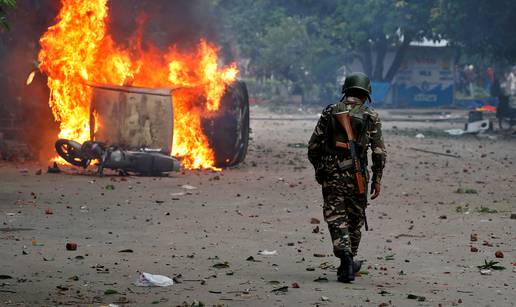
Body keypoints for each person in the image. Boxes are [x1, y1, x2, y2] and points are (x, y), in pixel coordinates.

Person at [307, 72, 386, 283]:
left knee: (336, 218)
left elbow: (313, 146)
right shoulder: (371, 116)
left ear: (346, 91)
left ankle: (346, 260)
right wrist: (377, 179)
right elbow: (378, 153)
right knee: (355, 219)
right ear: (366, 94)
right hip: (358, 175)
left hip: (332, 173)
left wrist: (320, 169)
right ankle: (348, 262)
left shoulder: (330, 111)